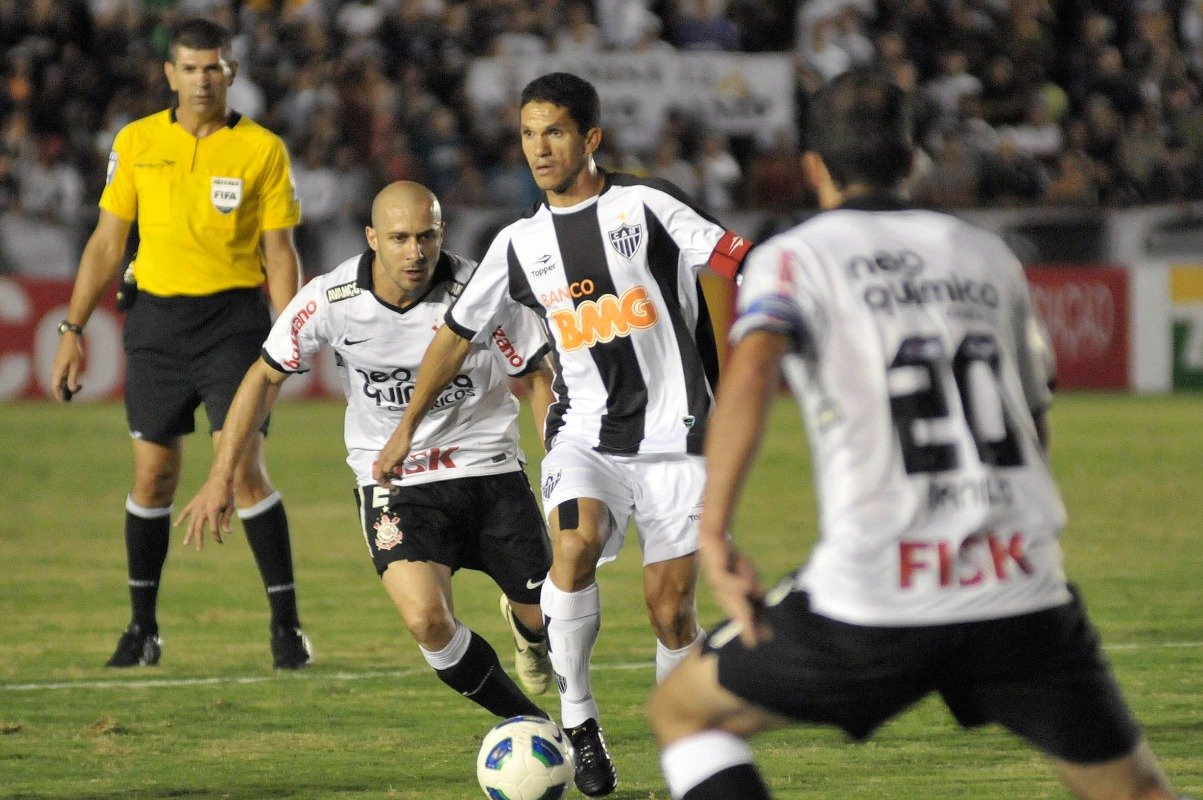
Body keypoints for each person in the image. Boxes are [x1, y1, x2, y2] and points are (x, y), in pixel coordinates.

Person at [648, 69, 1184, 800]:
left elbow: (748, 373)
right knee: (1137, 791)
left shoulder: (795, 255)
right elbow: (1033, 419)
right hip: (1014, 581)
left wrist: (713, 534)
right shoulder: (986, 256)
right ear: (912, 161)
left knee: (682, 714)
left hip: (873, 595)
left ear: (813, 167)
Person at [374, 72, 752, 797]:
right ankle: (579, 722)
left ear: (590, 138)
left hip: (679, 439)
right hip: (585, 436)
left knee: (670, 611)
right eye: (526, 134)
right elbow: (455, 336)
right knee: (571, 550)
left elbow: (733, 258)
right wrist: (404, 429)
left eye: (552, 132)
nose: (538, 149)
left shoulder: (646, 205)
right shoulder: (518, 243)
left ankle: (683, 734)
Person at [177, 181, 558, 720]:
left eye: (426, 237)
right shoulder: (329, 300)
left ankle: (529, 631)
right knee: (428, 619)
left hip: (488, 466)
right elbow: (263, 377)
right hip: (393, 477)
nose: (415, 252)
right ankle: (532, 725)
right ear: (371, 238)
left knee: (550, 618)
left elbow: (539, 377)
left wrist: (560, 468)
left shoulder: (482, 290)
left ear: (441, 234)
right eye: (400, 238)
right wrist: (221, 475)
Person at [49, 19, 312, 670]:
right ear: (170, 74)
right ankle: (143, 630)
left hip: (233, 324)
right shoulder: (137, 142)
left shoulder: (261, 150)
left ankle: (287, 630)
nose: (202, 78)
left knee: (244, 471)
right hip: (157, 327)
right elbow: (109, 240)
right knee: (154, 475)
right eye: (190, 68)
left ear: (231, 72)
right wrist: (71, 330)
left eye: (213, 67)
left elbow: (280, 253)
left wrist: (291, 333)